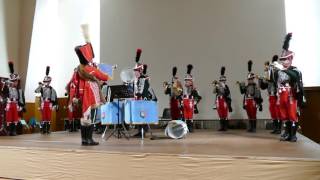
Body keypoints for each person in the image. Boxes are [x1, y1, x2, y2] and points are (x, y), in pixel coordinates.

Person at [75, 24, 111, 146]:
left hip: (84, 94)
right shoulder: (91, 69)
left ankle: (84, 139)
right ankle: (89, 139)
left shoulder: (80, 68)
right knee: (92, 116)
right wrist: (108, 70)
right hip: (91, 94)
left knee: (85, 117)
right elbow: (105, 77)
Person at [274, 33, 305, 142]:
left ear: (290, 59)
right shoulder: (280, 70)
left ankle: (293, 134)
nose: (283, 62)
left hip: (291, 95)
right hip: (281, 94)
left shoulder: (295, 70)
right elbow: (274, 81)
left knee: (292, 113)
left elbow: (295, 77)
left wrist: (284, 70)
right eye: (282, 60)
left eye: (285, 59)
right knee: (283, 114)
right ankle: (286, 133)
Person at [258, 56, 281, 134]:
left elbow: (274, 81)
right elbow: (264, 87)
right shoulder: (268, 78)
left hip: (276, 96)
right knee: (273, 112)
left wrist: (268, 75)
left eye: (269, 69)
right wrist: (260, 80)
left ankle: (279, 128)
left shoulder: (276, 76)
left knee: (278, 112)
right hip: (270, 96)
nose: (267, 70)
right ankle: (275, 128)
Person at [238, 60, 263, 133]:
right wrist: (240, 85)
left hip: (253, 101)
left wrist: (259, 104)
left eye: (251, 79)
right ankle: (250, 127)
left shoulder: (255, 86)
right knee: (249, 114)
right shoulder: (246, 86)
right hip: (247, 101)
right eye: (248, 79)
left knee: (253, 114)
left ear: (253, 79)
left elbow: (258, 95)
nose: (249, 81)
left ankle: (254, 128)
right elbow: (242, 92)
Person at [35, 66, 57, 134]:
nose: (46, 82)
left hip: (49, 103)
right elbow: (36, 91)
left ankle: (48, 129)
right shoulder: (42, 88)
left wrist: (54, 105)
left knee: (48, 117)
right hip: (43, 103)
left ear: (50, 82)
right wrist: (40, 85)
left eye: (47, 81)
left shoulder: (52, 89)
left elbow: (54, 98)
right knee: (43, 117)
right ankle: (43, 129)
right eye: (45, 81)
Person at [5, 62, 25, 136]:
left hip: (16, 104)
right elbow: (4, 95)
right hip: (9, 104)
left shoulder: (19, 90)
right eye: (13, 81)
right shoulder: (7, 88)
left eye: (15, 81)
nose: (14, 82)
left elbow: (21, 98)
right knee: (9, 118)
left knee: (15, 118)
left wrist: (21, 106)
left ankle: (14, 131)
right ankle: (9, 131)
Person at [182, 64, 202, 132]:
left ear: (191, 81)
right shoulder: (183, 88)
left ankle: (190, 127)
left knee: (190, 115)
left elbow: (198, 97)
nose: (187, 82)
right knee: (185, 115)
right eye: (186, 80)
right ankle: (185, 128)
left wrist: (195, 102)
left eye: (188, 80)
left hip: (190, 101)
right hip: (184, 101)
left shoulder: (194, 89)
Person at [212, 66, 232, 131]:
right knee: (220, 113)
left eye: (223, 80)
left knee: (225, 113)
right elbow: (214, 92)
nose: (221, 82)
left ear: (225, 81)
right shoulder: (218, 86)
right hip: (218, 100)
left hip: (224, 100)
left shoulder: (226, 86)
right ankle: (221, 127)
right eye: (221, 80)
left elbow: (228, 93)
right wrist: (215, 86)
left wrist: (224, 87)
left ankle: (225, 127)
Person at [65, 68, 82, 132]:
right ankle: (71, 127)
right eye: (75, 71)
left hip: (76, 99)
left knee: (75, 113)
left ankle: (74, 127)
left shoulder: (79, 81)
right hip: (71, 99)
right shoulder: (72, 81)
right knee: (71, 113)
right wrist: (69, 93)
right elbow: (66, 87)